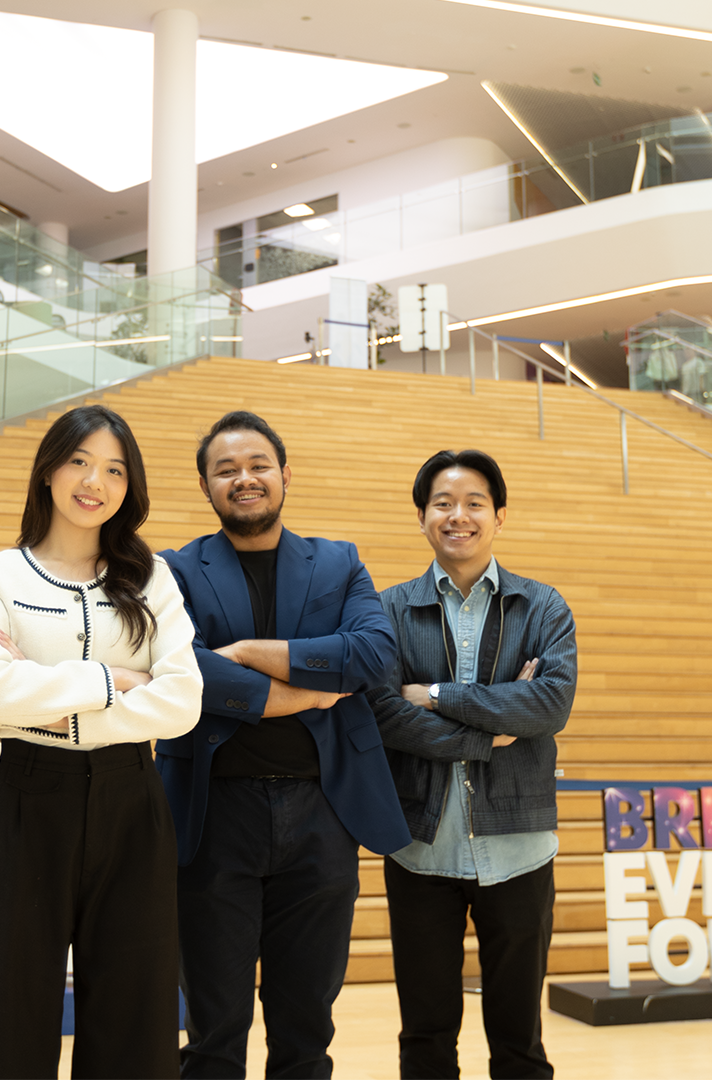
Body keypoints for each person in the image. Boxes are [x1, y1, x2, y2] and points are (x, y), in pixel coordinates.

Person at [158, 410, 409, 1080]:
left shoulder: (338, 560)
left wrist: (246, 654)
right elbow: (182, 666)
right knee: (214, 1027)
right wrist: (297, 692)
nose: (245, 479)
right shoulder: (174, 571)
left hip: (322, 816)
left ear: (284, 474)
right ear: (207, 486)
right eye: (226, 469)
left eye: (257, 465)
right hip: (213, 816)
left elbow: (373, 655)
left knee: (305, 1029)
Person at [0, 404, 204, 1080]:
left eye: (115, 469)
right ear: (47, 471)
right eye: (80, 462)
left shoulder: (150, 578)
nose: (96, 481)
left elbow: (182, 702)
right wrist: (110, 680)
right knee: (7, 1010)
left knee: (135, 1013)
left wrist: (44, 696)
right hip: (28, 801)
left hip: (132, 801)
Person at [367, 450, 577, 1080]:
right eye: (442, 504)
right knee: (425, 1036)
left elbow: (547, 704)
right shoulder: (387, 610)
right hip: (419, 846)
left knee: (520, 1040)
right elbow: (381, 713)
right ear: (423, 518)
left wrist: (434, 694)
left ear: (499, 516)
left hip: (518, 845)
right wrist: (489, 733)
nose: (458, 516)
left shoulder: (542, 607)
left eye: (474, 504)